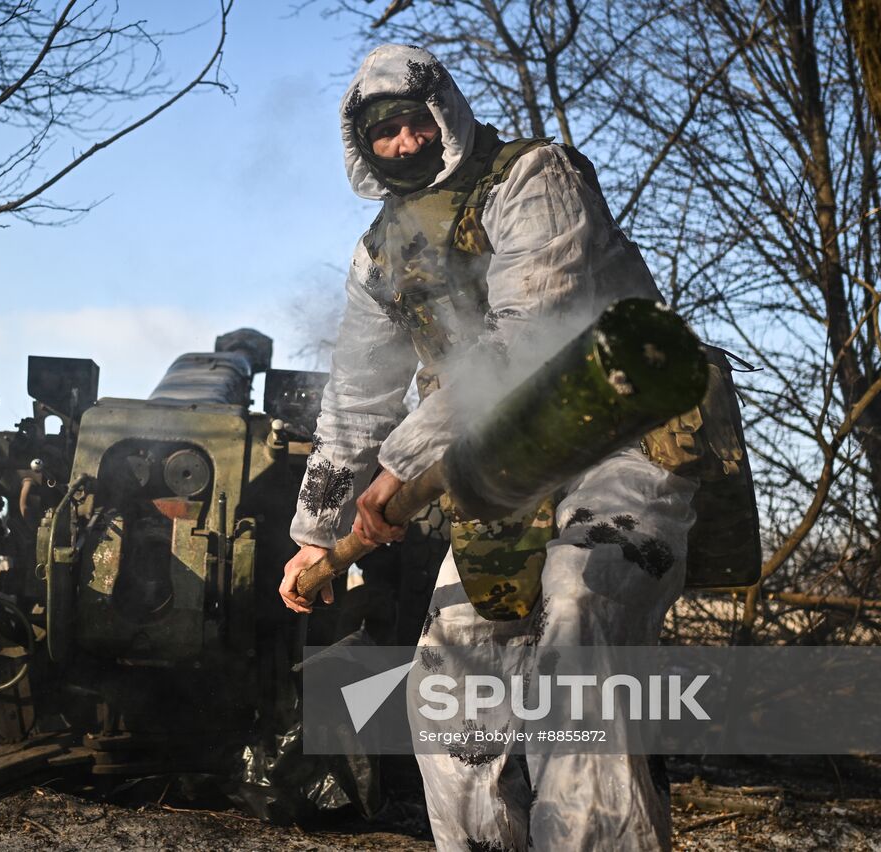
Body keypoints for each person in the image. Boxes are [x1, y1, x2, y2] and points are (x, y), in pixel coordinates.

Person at [279, 45, 697, 851]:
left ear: (444, 114)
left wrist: (407, 457)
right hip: (499, 469)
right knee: (453, 666)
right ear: (359, 149)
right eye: (381, 136)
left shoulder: (534, 178)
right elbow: (358, 394)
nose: (402, 145)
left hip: (620, 435)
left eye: (411, 124)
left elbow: (532, 332)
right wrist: (316, 534)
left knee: (581, 603)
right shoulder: (379, 254)